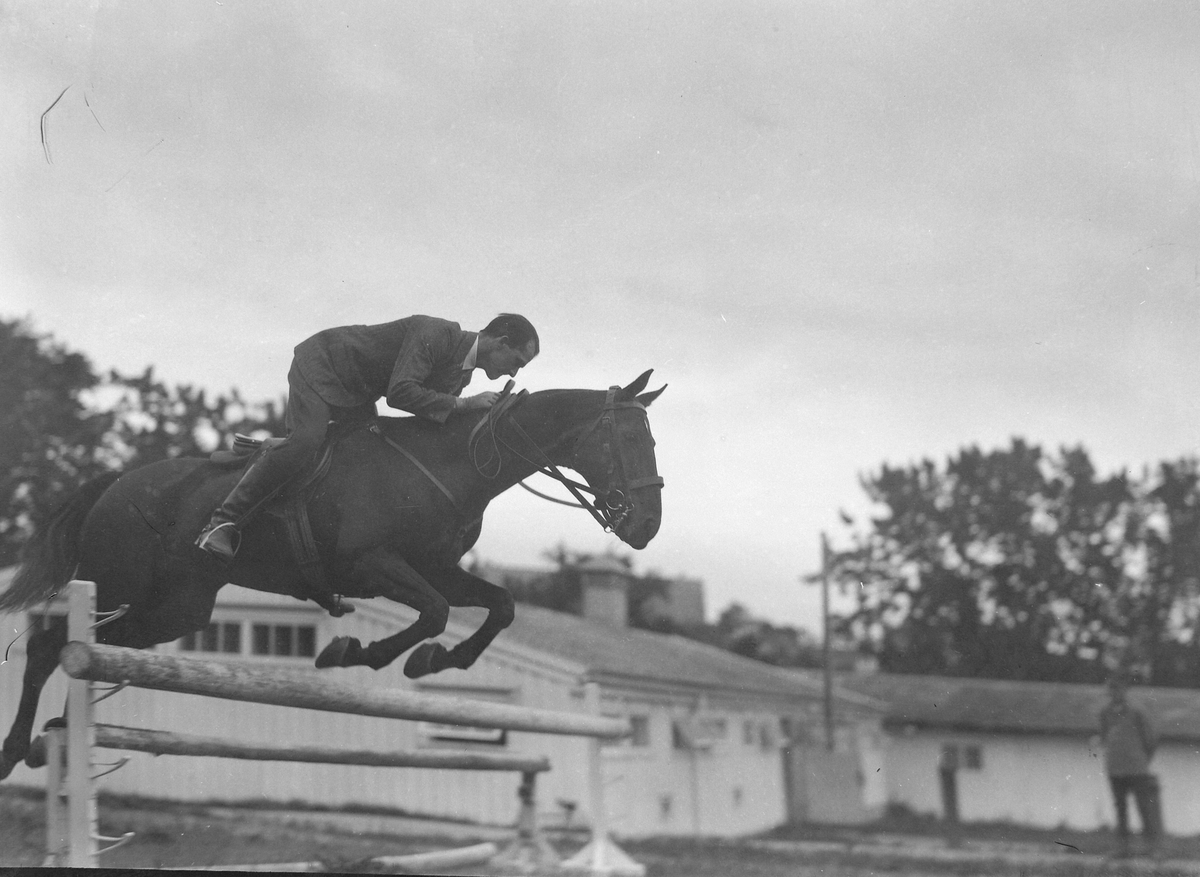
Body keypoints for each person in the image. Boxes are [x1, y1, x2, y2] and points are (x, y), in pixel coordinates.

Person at [195, 313, 539, 563]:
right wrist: (465, 405)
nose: (513, 371)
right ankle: (220, 523)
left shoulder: (459, 376)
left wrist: (484, 417)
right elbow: (401, 393)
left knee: (364, 457)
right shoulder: (437, 333)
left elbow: (432, 419)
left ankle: (273, 455)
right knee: (305, 443)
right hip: (323, 366)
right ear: (501, 342)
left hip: (357, 392)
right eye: (517, 362)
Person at [1098, 672, 1162, 858]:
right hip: (1115, 769)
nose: (1114, 692)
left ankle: (1153, 849)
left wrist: (1142, 760)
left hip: (1136, 768)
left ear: (1126, 690)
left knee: (1145, 807)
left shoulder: (1137, 712)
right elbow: (1104, 737)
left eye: (1118, 688)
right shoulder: (1105, 712)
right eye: (1111, 688)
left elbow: (1150, 739)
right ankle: (1122, 848)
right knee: (1120, 809)